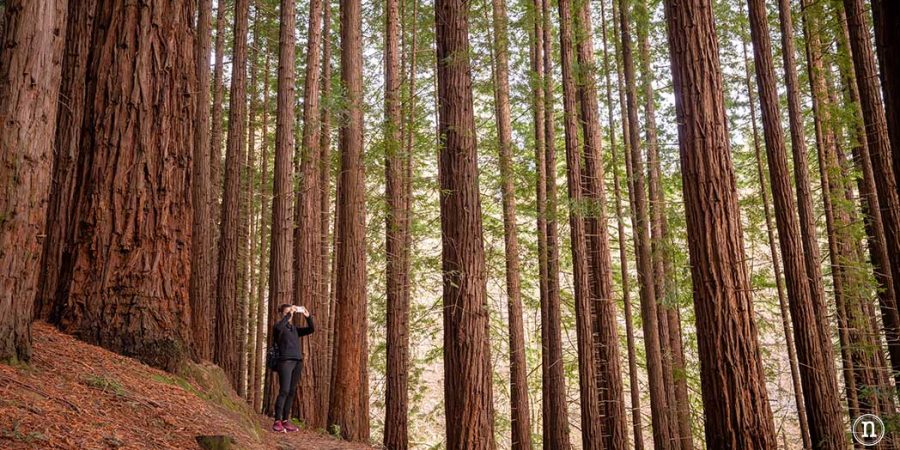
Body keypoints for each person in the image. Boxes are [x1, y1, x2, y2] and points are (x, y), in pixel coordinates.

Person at [272, 304, 314, 432]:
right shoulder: (279, 327)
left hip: (297, 362)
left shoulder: (294, 329)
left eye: (291, 311)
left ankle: (285, 420)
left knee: (291, 392)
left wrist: (308, 316)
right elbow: (279, 327)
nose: (290, 313)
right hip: (285, 361)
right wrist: (289, 313)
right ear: (283, 314)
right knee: (284, 391)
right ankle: (277, 421)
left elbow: (311, 329)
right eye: (287, 312)